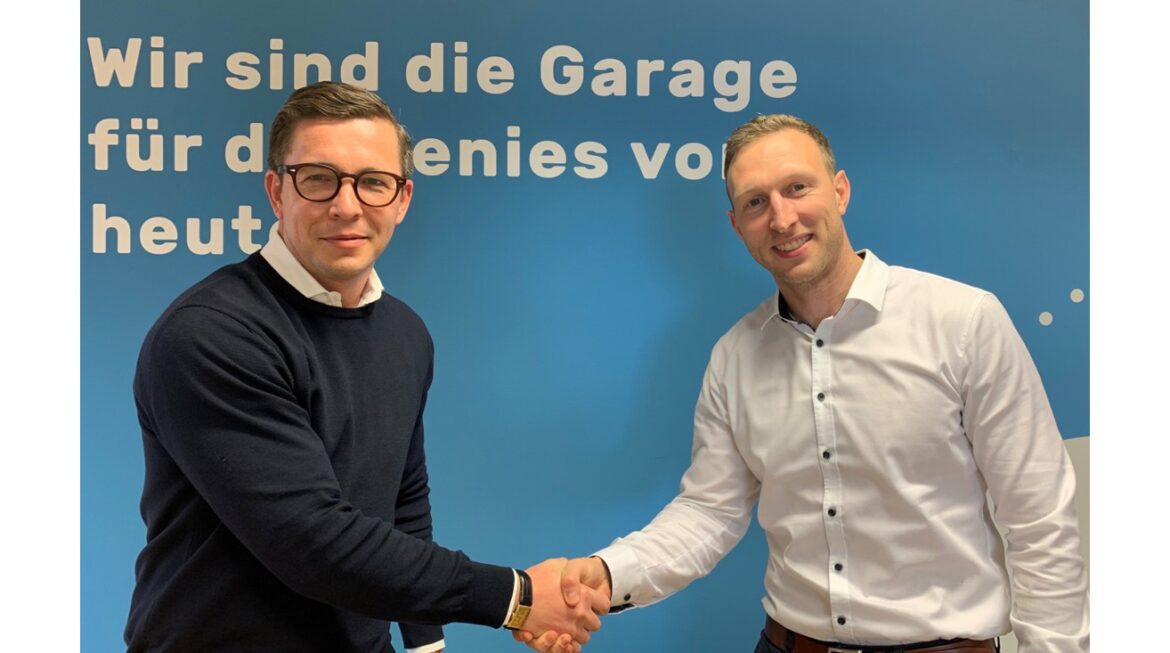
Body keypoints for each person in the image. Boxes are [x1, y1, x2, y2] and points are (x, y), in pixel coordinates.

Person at [518, 114, 1088, 653]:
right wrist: (605, 576)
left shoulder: (963, 322)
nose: (782, 219)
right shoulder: (735, 356)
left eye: (797, 188)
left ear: (839, 191)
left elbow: (1040, 518)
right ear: (737, 225)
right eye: (756, 202)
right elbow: (709, 512)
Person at [125, 81, 604, 653]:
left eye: (373, 182)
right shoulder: (211, 333)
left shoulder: (405, 331)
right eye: (318, 178)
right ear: (277, 192)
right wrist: (517, 598)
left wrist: (426, 644)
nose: (347, 206)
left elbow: (403, 500)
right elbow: (312, 540)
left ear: (402, 199)